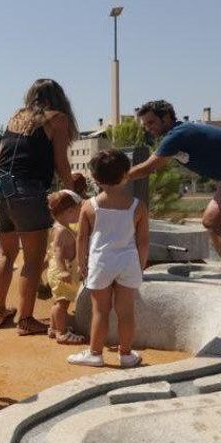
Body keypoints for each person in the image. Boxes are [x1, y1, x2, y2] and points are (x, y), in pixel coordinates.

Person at [128, 100, 221, 275]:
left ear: (166, 118)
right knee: (212, 221)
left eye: (151, 122)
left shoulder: (178, 134)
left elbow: (148, 168)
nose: (148, 128)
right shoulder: (174, 136)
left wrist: (117, 177)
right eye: (145, 125)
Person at [0, 79, 80, 336]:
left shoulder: (17, 116)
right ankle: (26, 319)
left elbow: (0, 157)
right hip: (27, 190)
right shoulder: (57, 119)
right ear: (59, 97)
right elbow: (61, 162)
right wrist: (72, 191)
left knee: (6, 254)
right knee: (32, 259)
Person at [70, 150, 149, 368]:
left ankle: (95, 353)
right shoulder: (137, 206)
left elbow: (81, 238)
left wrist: (82, 263)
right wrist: (140, 265)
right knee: (126, 312)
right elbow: (143, 242)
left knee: (100, 311)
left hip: (101, 262)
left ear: (95, 178)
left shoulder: (89, 206)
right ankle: (126, 355)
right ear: (126, 174)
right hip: (128, 262)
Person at [45, 188, 87, 345]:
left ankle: (53, 327)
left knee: (58, 302)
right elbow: (58, 252)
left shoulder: (58, 227)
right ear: (68, 211)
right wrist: (63, 271)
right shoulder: (62, 231)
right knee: (62, 303)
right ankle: (62, 333)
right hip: (63, 271)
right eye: (77, 212)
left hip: (60, 270)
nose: (79, 215)